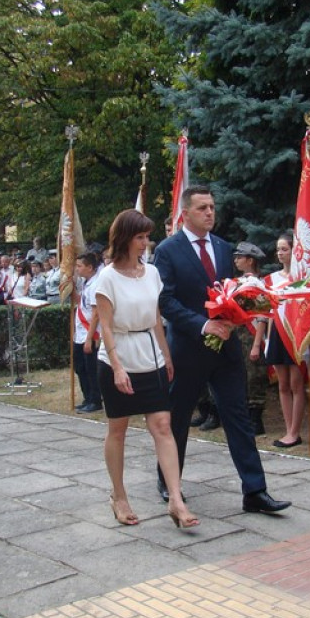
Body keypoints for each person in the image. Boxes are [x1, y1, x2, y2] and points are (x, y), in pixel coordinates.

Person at [153, 185, 290, 514]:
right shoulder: (168, 251)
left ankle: (255, 491)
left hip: (226, 348)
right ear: (186, 213)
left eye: (212, 206)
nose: (210, 212)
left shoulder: (223, 246)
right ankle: (169, 482)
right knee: (179, 419)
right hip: (187, 348)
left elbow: (228, 293)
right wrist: (203, 325)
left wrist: (234, 317)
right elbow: (165, 300)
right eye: (202, 208)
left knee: (238, 417)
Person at [95, 210, 198, 528]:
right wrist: (117, 367)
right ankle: (119, 495)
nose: (145, 243)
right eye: (140, 237)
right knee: (118, 430)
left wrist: (167, 356)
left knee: (163, 427)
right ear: (125, 238)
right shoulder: (107, 277)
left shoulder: (152, 273)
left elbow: (155, 319)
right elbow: (106, 327)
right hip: (119, 358)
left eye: (146, 237)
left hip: (150, 356)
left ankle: (176, 500)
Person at [264, 231, 307, 448]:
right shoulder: (272, 279)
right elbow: (271, 311)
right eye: (278, 249)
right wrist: (268, 339)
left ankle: (295, 431)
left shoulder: (303, 278)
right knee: (282, 384)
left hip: (296, 334)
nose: (280, 253)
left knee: (296, 384)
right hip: (278, 334)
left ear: (294, 250)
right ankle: (288, 429)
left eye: (284, 249)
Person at [233, 241, 269, 435]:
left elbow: (263, 315)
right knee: (241, 375)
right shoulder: (237, 282)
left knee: (254, 375)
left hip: (253, 334)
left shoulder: (258, 284)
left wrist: (256, 344)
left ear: (250, 260)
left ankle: (256, 419)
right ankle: (245, 416)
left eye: (240, 257)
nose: (236, 260)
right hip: (237, 333)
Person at [73, 252, 103, 413]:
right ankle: (87, 397)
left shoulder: (96, 284)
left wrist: (89, 338)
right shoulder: (87, 282)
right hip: (80, 332)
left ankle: (95, 399)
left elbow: (96, 313)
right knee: (80, 367)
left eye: (80, 266)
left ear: (90, 267)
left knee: (91, 369)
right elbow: (82, 304)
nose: (77, 269)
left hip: (89, 333)